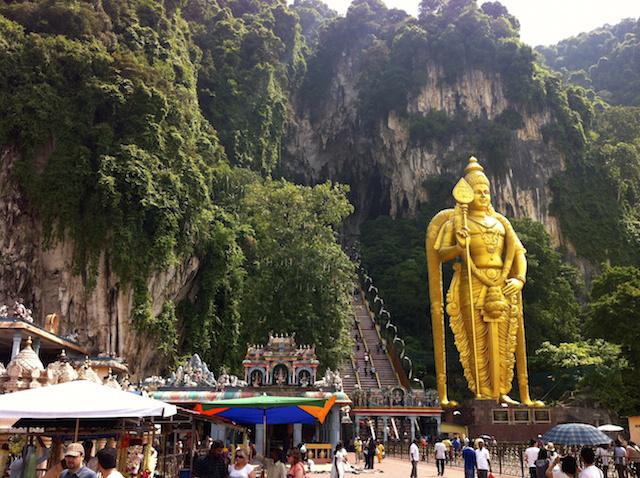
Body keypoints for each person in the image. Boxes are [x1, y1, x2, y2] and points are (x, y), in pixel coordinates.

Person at [427, 157, 542, 405]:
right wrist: (459, 245)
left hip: (502, 283)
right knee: (475, 339)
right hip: (472, 282)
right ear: (467, 194)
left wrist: (519, 279)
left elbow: (519, 253)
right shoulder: (458, 221)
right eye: (477, 191)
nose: (483, 195)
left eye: (486, 191)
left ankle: (503, 391)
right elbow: (441, 253)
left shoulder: (501, 222)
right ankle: (482, 391)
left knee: (505, 339)